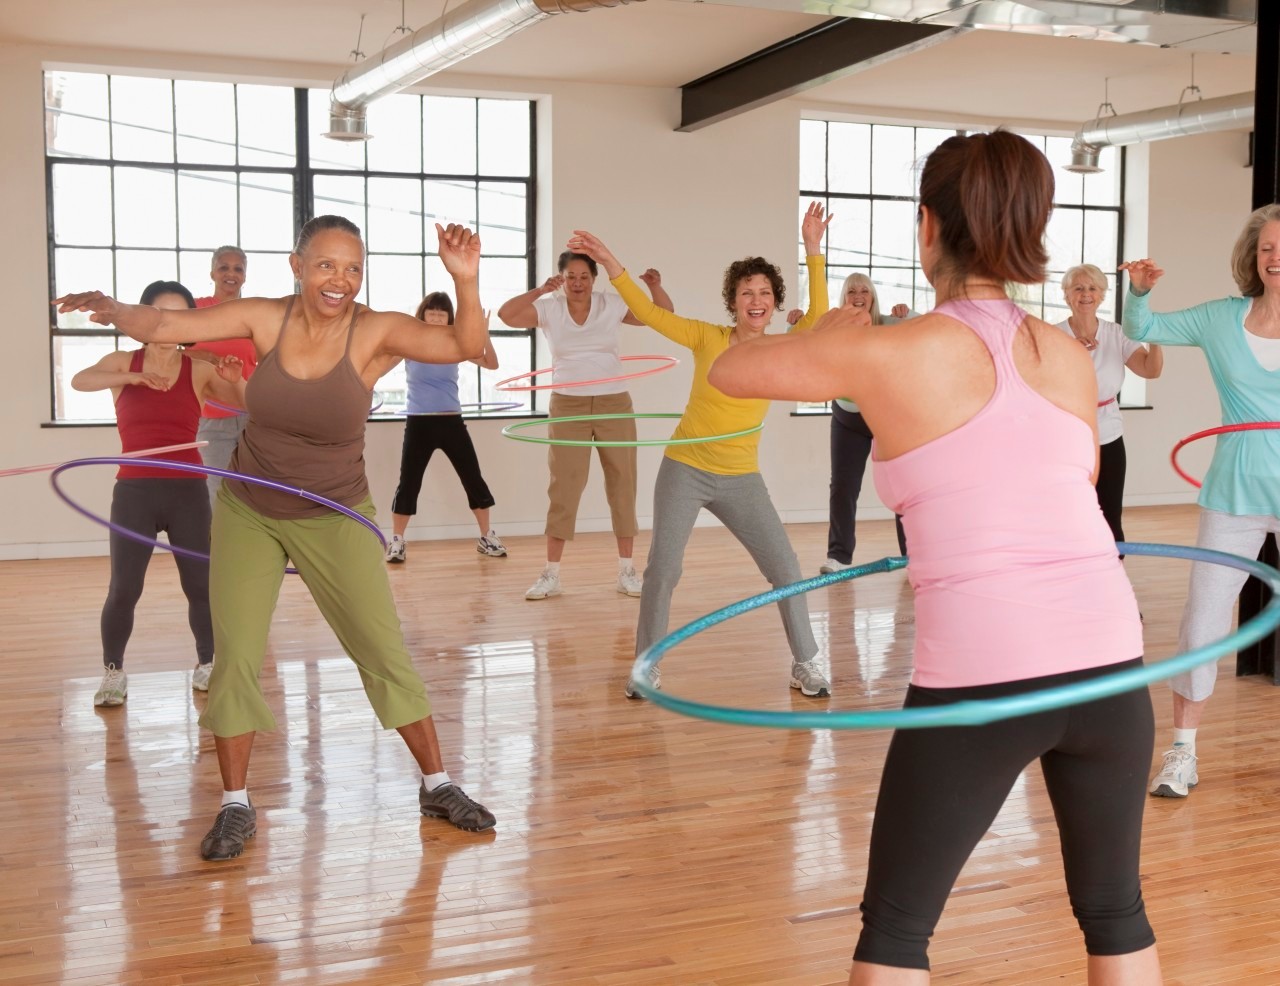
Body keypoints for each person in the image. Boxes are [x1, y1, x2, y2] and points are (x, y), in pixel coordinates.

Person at [709, 132, 1160, 984]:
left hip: (982, 675)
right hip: (1111, 664)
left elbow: (733, 369)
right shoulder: (1067, 355)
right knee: (1114, 910)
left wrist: (834, 323)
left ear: (926, 227)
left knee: (898, 931)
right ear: (1032, 226)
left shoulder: (885, 349)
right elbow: (1077, 484)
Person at [56, 215, 497, 861]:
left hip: (336, 510)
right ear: (298, 266)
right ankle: (236, 804)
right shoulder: (265, 317)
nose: (340, 279)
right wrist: (110, 305)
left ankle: (436, 782)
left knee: (381, 647)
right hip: (251, 507)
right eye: (326, 265)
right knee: (236, 655)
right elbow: (167, 327)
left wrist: (466, 279)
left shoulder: (375, 330)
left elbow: (465, 344)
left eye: (352, 267)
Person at [567, 201, 835, 699]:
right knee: (664, 568)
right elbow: (647, 311)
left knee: (786, 568)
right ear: (732, 303)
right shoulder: (707, 337)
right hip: (686, 467)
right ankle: (647, 666)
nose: (755, 300)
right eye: (745, 293)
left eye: (764, 293)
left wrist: (813, 248)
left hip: (741, 477)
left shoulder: (779, 347)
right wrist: (608, 259)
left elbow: (818, 318)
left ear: (775, 302)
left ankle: (805, 662)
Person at [1121, 203, 1280, 800]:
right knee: (1202, 627)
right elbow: (1147, 328)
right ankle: (1181, 754)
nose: (1275, 257)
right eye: (1266, 247)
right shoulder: (1220, 319)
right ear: (1252, 256)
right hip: (1233, 492)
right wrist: (1137, 292)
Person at [70, 280, 246, 706]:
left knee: (200, 586)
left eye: (177, 317)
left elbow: (248, 405)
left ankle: (207, 664)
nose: (167, 326)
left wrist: (236, 381)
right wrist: (132, 376)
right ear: (144, 319)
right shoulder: (121, 361)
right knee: (124, 588)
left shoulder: (199, 368)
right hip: (135, 492)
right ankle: (113, 671)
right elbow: (79, 381)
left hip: (188, 490)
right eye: (159, 315)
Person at [497, 252, 673, 601]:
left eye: (584, 276)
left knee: (623, 483)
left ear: (595, 279)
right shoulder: (549, 308)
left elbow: (661, 317)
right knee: (564, 487)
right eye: (570, 276)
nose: (578, 283)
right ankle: (551, 574)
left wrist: (654, 287)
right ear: (562, 278)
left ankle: (627, 571)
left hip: (614, 402)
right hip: (567, 404)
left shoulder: (612, 304)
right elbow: (507, 315)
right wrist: (539, 290)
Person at [798, 274, 913, 573]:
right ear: (844, 297)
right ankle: (838, 557)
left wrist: (909, 313)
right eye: (852, 291)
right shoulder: (833, 327)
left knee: (901, 485)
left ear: (873, 296)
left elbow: (932, 327)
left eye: (864, 290)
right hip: (847, 418)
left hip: (887, 417)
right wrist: (795, 321)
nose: (858, 295)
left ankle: (913, 556)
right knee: (843, 487)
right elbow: (798, 340)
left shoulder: (888, 324)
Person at [386, 291, 506, 563]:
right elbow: (382, 366)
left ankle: (487, 536)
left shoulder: (457, 342)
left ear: (450, 317)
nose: (437, 316)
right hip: (419, 421)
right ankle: (397, 541)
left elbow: (492, 363)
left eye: (443, 312)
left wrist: (483, 333)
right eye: (433, 311)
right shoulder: (410, 344)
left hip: (451, 420)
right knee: (409, 483)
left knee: (473, 479)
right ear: (423, 314)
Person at [1056, 263, 1162, 543]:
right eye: (1078, 288)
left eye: (1092, 288)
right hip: (1066, 436)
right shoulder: (1052, 336)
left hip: (1109, 435)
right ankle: (1073, 571)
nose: (1086, 294)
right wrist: (1070, 352)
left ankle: (1113, 568)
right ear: (1066, 294)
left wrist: (1156, 337)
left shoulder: (1117, 334)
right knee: (1069, 512)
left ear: (1102, 295)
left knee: (1109, 512)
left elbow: (1150, 370)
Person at [189, 247, 258, 506]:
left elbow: (267, 358)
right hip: (212, 419)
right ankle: (218, 546)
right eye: (224, 267)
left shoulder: (254, 313)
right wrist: (206, 356)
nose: (231, 274)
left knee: (254, 492)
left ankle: (251, 546)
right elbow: (172, 355)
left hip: (253, 416)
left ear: (245, 276)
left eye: (238, 268)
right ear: (212, 273)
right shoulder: (196, 309)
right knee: (219, 493)